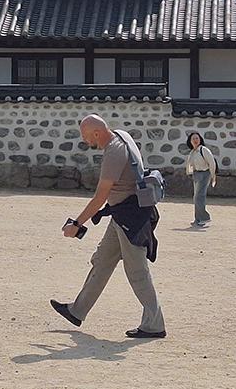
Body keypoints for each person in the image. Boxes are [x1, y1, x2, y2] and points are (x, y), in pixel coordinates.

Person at [50, 115, 166, 339]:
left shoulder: (113, 152)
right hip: (124, 214)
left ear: (96, 133)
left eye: (86, 137)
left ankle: (154, 324)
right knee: (102, 260)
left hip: (129, 218)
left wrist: (77, 223)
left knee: (137, 272)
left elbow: (100, 196)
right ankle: (77, 310)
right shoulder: (122, 136)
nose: (85, 142)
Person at [184, 131, 218, 227]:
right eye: (193, 139)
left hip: (205, 173)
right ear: (190, 141)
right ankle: (197, 218)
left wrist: (213, 175)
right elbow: (190, 164)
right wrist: (190, 173)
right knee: (196, 197)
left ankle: (204, 218)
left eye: (197, 138)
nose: (195, 140)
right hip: (196, 174)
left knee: (199, 196)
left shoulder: (204, 150)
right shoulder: (192, 152)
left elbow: (211, 162)